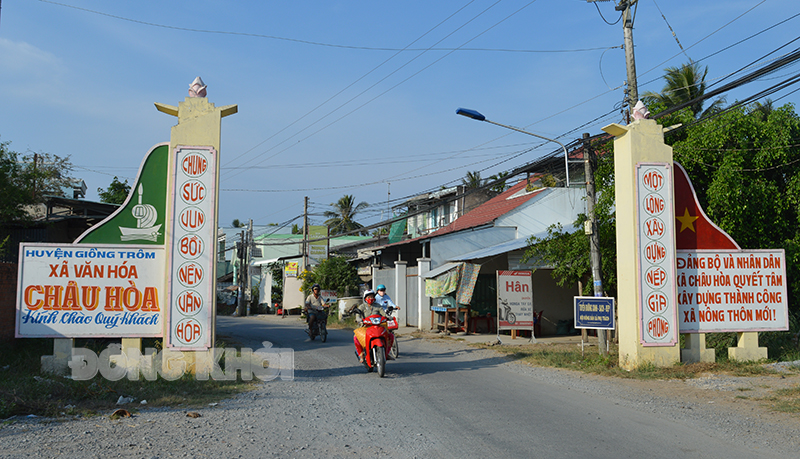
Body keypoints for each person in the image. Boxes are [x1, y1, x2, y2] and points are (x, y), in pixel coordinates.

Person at [350, 290, 391, 364]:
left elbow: (383, 313)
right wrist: (360, 320)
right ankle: (361, 354)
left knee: (390, 336)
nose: (370, 298)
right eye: (369, 297)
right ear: (365, 298)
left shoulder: (378, 306)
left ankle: (386, 353)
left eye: (372, 297)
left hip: (378, 326)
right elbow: (358, 316)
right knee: (356, 337)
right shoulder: (362, 307)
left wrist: (388, 317)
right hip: (366, 327)